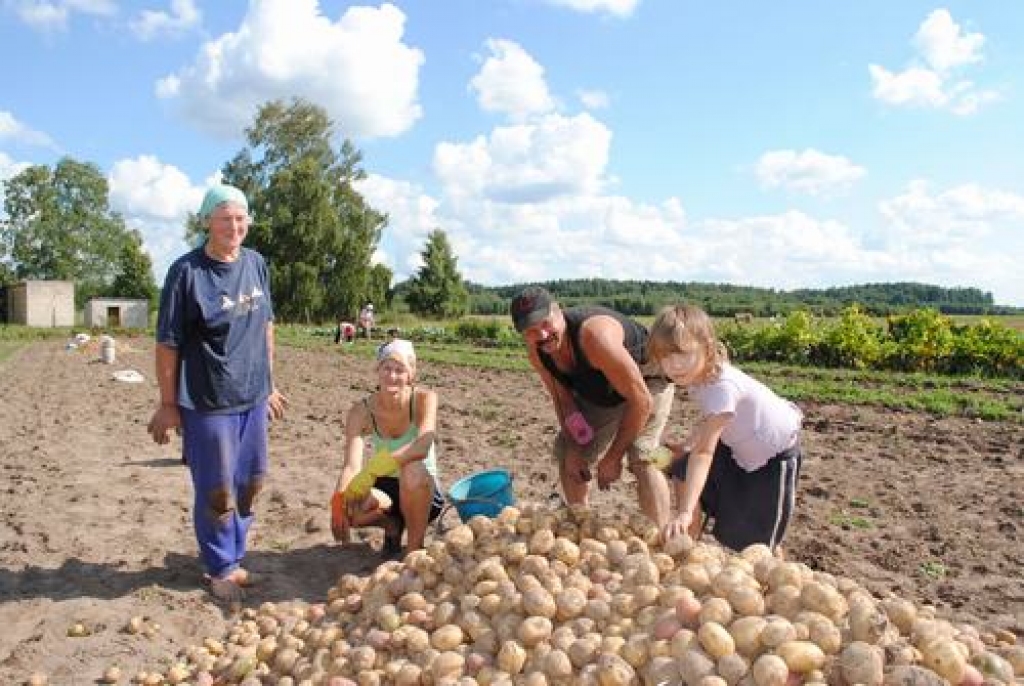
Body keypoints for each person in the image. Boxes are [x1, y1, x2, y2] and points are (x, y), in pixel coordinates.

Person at [147, 184, 288, 604]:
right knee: (217, 488)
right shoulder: (187, 272)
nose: (234, 226)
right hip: (208, 401)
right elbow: (167, 342)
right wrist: (169, 403)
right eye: (225, 218)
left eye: (241, 218)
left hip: (253, 397)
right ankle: (219, 566)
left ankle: (235, 555)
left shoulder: (256, 264)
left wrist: (270, 384)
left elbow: (265, 326)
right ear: (207, 220)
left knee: (249, 484)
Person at [511, 286, 675, 526]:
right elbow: (563, 400)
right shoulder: (538, 353)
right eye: (532, 330)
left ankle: (660, 537)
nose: (543, 335)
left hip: (647, 383)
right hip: (603, 391)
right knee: (569, 453)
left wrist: (613, 457)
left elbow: (641, 401)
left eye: (546, 323)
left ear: (559, 311)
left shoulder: (596, 337)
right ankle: (581, 523)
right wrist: (576, 449)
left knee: (643, 455)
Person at [647, 304, 803, 553]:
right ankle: (687, 546)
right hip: (738, 448)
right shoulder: (699, 375)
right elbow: (713, 420)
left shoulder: (722, 386)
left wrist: (685, 510)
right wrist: (688, 444)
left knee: (759, 545)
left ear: (707, 348)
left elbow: (705, 453)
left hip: (774, 456)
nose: (674, 365)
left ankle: (771, 572)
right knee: (683, 468)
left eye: (683, 354)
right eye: (665, 357)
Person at [330, 338, 444, 558]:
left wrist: (375, 467)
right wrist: (338, 501)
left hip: (422, 490)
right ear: (378, 370)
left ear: (411, 374)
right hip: (386, 490)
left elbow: (422, 446)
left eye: (400, 370)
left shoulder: (424, 399)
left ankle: (414, 549)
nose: (392, 376)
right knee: (350, 504)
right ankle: (391, 526)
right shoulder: (360, 411)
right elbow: (351, 465)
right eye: (387, 368)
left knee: (412, 470)